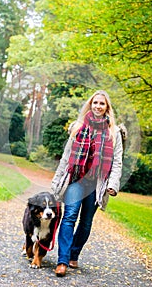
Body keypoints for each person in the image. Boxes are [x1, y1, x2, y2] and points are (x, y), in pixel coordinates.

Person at [51, 90, 123, 277]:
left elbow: (117, 161)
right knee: (69, 217)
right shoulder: (78, 127)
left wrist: (113, 184)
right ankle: (63, 261)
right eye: (95, 103)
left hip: (96, 183)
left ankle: (74, 254)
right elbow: (66, 157)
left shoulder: (114, 132)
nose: (98, 106)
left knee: (86, 222)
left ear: (107, 107)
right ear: (90, 104)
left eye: (102, 103)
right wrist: (56, 181)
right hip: (76, 179)